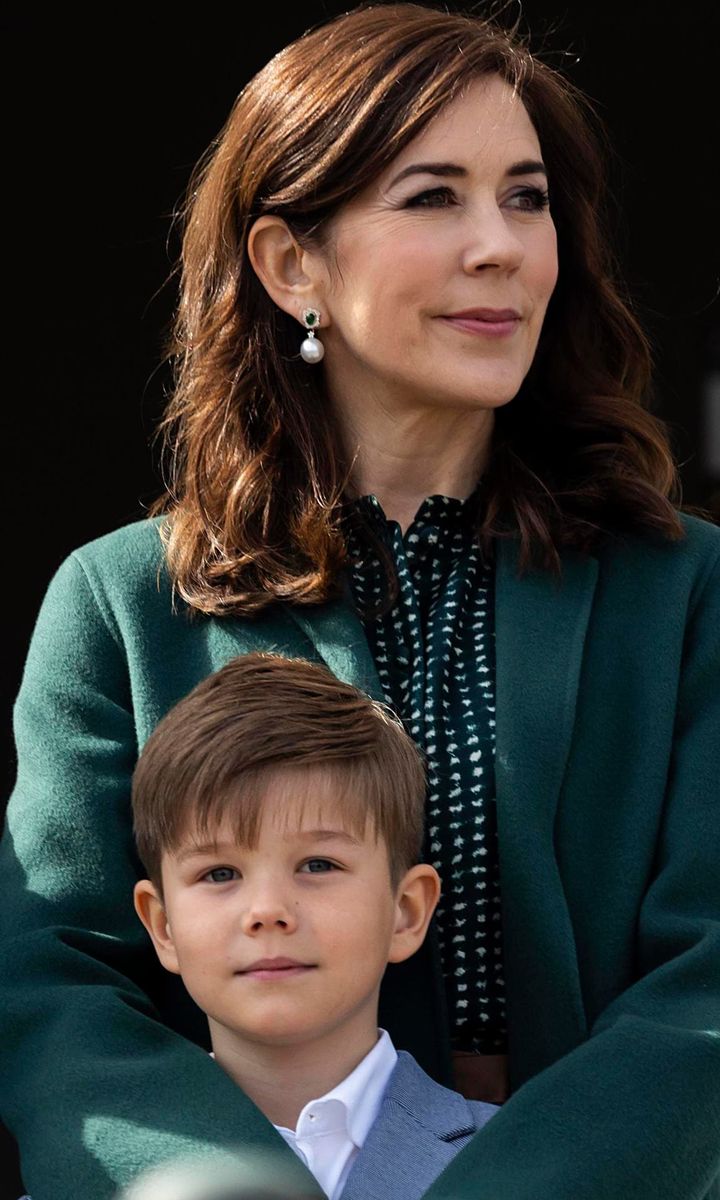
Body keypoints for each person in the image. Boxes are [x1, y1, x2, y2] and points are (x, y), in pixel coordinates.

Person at [1, 3, 718, 1199]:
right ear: (291, 266)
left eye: (527, 196)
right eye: (434, 197)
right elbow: (51, 982)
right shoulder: (123, 602)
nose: (501, 246)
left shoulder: (686, 589)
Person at [129, 651, 497, 1200]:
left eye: (318, 865)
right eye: (220, 872)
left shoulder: (521, 1161)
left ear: (407, 911)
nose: (267, 910)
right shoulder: (89, 1179)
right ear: (163, 927)